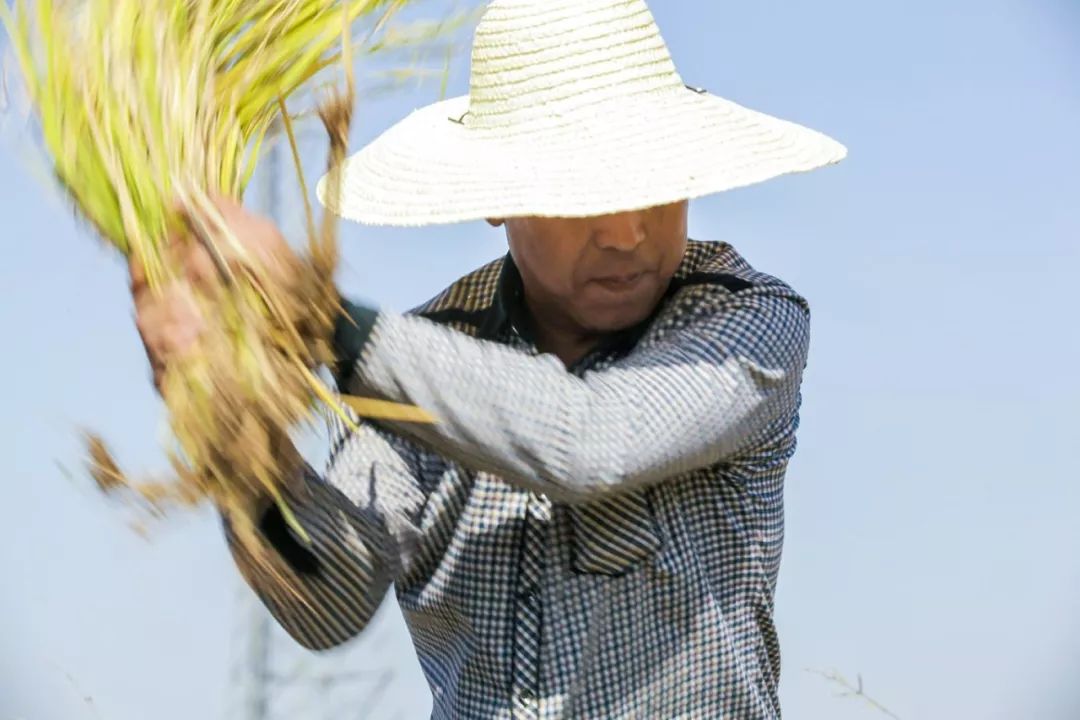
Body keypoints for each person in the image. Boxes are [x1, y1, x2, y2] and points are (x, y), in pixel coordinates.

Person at [133, 0, 846, 717]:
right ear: (495, 199)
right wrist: (232, 432)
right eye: (582, 195)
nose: (627, 233)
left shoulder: (745, 321)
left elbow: (591, 443)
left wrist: (323, 319)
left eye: (653, 187)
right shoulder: (423, 360)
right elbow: (327, 603)